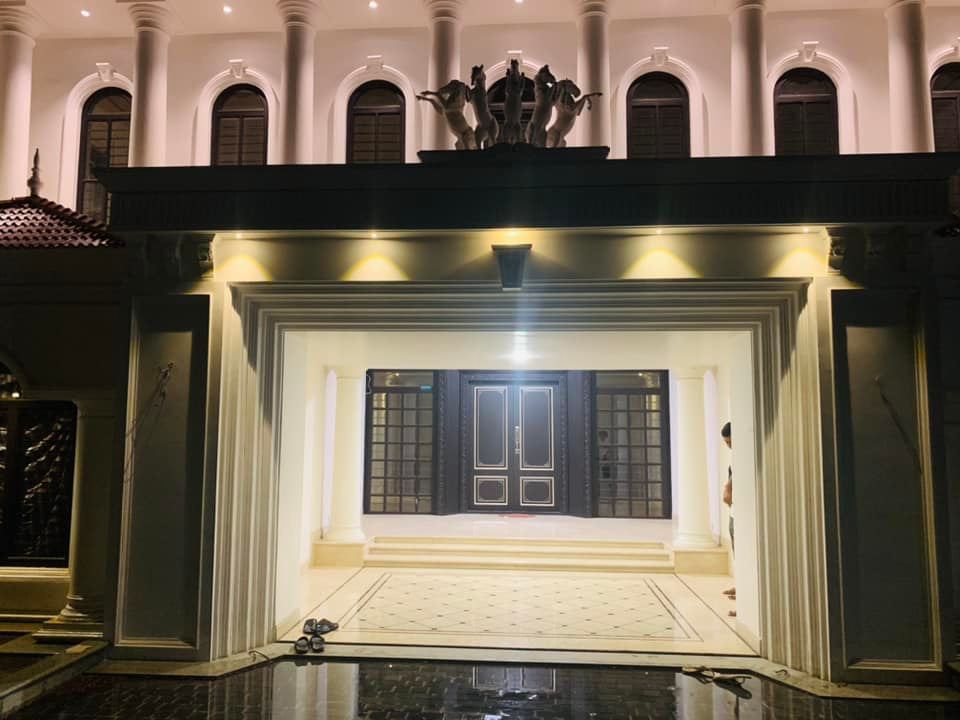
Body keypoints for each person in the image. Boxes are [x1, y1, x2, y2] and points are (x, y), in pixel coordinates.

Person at [721, 422, 736, 616]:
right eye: (726, 443)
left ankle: (747, 606)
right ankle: (741, 587)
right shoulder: (735, 456)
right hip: (734, 511)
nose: (729, 447)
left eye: (730, 442)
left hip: (742, 514)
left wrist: (727, 487)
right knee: (738, 554)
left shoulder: (746, 454)